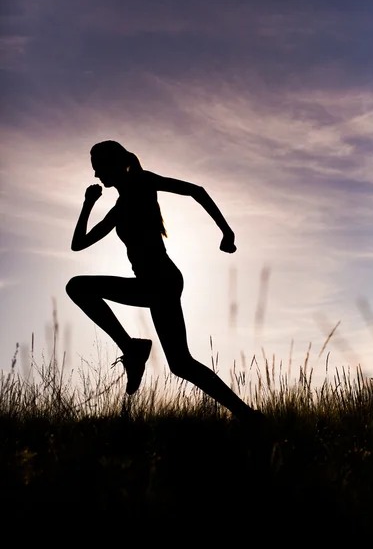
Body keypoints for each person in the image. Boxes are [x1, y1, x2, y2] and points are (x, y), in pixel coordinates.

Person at [66, 140, 260, 421]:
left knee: (78, 286)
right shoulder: (118, 208)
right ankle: (247, 415)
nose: (96, 175)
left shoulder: (143, 182)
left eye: (98, 167)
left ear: (115, 163)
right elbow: (79, 244)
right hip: (156, 285)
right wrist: (87, 205)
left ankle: (132, 348)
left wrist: (226, 232)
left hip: (161, 281)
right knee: (181, 364)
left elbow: (196, 191)